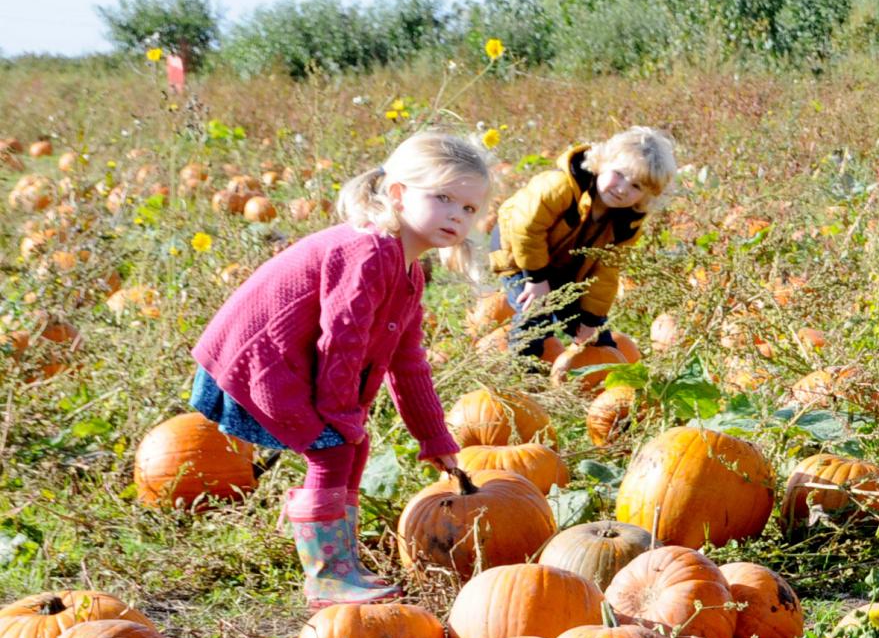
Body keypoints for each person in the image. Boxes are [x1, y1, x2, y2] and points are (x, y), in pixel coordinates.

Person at [191, 132, 494, 606]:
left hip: (290, 360)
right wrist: (340, 413)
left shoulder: (409, 272)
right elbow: (343, 341)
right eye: (443, 198)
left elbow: (407, 363)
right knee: (333, 448)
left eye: (470, 209)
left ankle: (341, 562)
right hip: (260, 358)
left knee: (350, 444)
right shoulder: (370, 252)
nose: (457, 215)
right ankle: (327, 576)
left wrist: (434, 437)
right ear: (397, 193)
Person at [490, 126, 677, 358]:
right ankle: (520, 377)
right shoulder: (559, 187)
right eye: (618, 174)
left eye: (636, 186)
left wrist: (591, 320)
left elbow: (605, 272)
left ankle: (602, 374)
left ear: (647, 195)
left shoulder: (626, 225)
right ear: (601, 163)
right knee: (535, 313)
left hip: (561, 261)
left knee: (596, 335)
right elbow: (526, 228)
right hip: (517, 250)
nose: (621, 189)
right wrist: (536, 279)